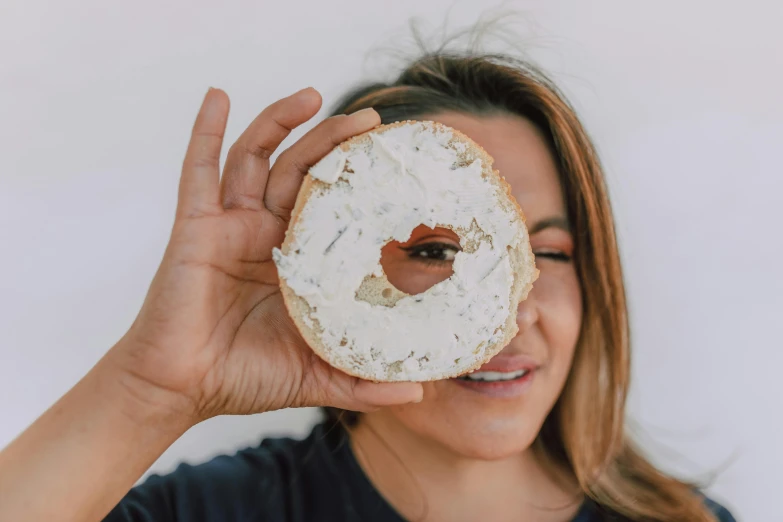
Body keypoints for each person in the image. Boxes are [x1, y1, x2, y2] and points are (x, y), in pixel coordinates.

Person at [0, 43, 736, 522]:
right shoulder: (221, 512)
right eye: (436, 250)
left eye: (549, 254)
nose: (513, 312)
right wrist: (150, 390)